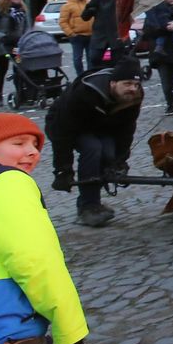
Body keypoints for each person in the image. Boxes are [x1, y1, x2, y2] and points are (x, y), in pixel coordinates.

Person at [0, 113, 90, 344]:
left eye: (35, 145)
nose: (32, 152)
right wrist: (68, 328)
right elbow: (35, 260)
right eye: (18, 143)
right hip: (3, 330)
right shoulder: (3, 182)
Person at [43, 56, 143, 227]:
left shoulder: (134, 97)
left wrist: (120, 161)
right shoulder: (84, 93)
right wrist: (63, 170)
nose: (132, 89)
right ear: (113, 83)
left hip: (101, 126)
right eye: (127, 84)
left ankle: (93, 196)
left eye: (136, 84)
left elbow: (126, 130)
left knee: (109, 154)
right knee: (93, 148)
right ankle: (88, 206)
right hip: (67, 125)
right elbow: (62, 134)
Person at [141, 0, 173, 115]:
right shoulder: (155, 9)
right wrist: (164, 28)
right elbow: (148, 31)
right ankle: (171, 104)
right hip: (162, 55)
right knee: (166, 84)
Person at [80, 0, 119, 71]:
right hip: (100, 34)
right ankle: (96, 74)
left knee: (117, 59)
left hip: (114, 33)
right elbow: (85, 17)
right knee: (95, 58)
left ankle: (115, 75)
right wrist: (90, 9)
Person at [59, 0, 92, 78]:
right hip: (77, 36)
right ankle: (80, 76)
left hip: (91, 35)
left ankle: (90, 76)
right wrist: (71, 33)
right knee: (77, 58)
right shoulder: (67, 6)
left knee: (91, 58)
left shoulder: (89, 3)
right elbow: (63, 22)